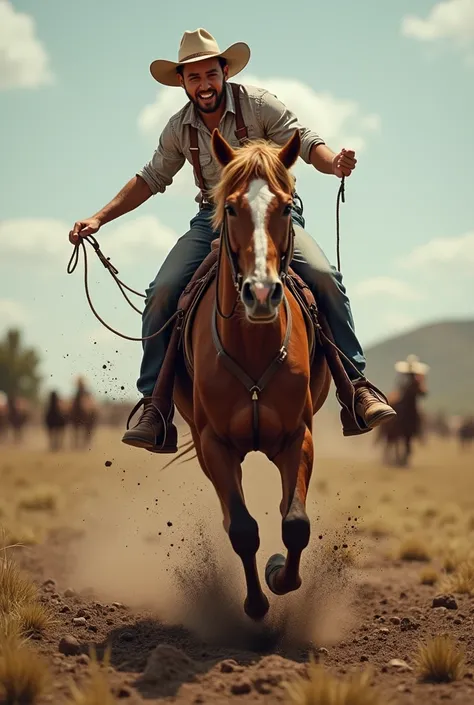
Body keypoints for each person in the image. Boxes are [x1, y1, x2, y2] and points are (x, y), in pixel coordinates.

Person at [69, 28, 396, 452]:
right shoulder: (179, 128)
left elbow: (306, 141)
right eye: (193, 78)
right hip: (214, 218)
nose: (203, 85)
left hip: (274, 214)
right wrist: (99, 217)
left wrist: (334, 162)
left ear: (224, 72)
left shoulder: (259, 104)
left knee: (324, 277)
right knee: (162, 291)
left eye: (210, 74)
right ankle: (155, 405)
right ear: (183, 83)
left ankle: (356, 386)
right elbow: (151, 179)